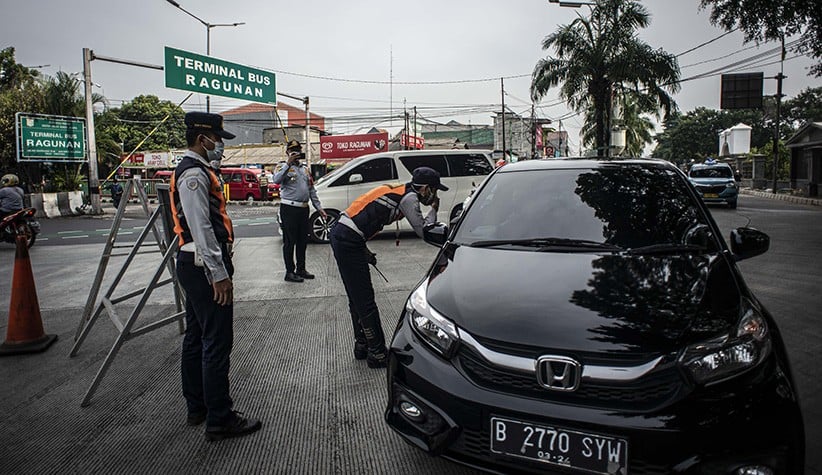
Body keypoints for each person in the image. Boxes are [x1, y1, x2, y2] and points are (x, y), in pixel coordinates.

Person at [169, 111, 262, 442]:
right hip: (203, 265)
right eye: (218, 139)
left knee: (196, 337)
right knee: (216, 342)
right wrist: (218, 273)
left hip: (194, 263)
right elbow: (201, 227)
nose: (220, 145)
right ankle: (220, 419)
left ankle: (198, 407)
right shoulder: (193, 174)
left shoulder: (198, 170)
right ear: (202, 138)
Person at [329, 166, 446, 368]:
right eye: (434, 191)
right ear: (425, 188)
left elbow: (360, 215)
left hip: (346, 234)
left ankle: (363, 345)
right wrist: (434, 209)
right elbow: (425, 232)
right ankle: (378, 354)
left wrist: (362, 248)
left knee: (356, 296)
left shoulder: (400, 190)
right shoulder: (409, 198)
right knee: (364, 298)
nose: (434, 196)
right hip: (348, 239)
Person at [271, 139, 327, 282]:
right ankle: (289, 272)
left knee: (303, 241)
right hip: (289, 209)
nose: (295, 153)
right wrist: (288, 164)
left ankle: (301, 269)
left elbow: (311, 190)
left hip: (303, 209)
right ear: (287, 152)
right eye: (292, 151)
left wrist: (319, 208)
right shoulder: (281, 166)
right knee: (290, 241)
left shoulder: (305, 169)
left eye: (297, 151)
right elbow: (276, 180)